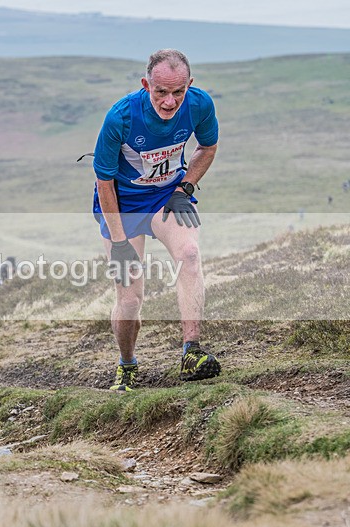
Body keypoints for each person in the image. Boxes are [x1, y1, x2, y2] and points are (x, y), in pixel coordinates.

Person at [91, 49, 221, 392]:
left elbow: (207, 147)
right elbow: (104, 182)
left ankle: (191, 351)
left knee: (189, 255)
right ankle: (127, 364)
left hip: (166, 197)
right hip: (123, 205)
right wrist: (119, 243)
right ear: (146, 84)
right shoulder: (120, 117)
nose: (169, 102)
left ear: (189, 85)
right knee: (131, 297)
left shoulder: (199, 104)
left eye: (178, 92)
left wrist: (185, 187)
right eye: (161, 92)